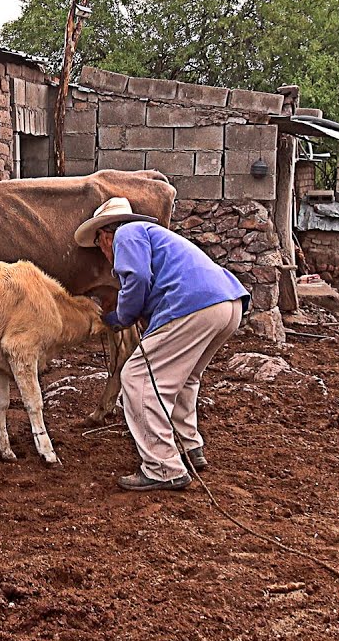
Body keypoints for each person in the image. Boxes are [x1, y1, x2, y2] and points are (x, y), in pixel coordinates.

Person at [74, 197, 250, 492]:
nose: (102, 253)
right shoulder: (154, 236)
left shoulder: (126, 233)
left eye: (98, 244)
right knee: (185, 377)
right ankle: (189, 445)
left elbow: (138, 278)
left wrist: (120, 317)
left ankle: (163, 467)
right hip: (227, 302)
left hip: (193, 305)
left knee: (138, 378)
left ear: (105, 235)